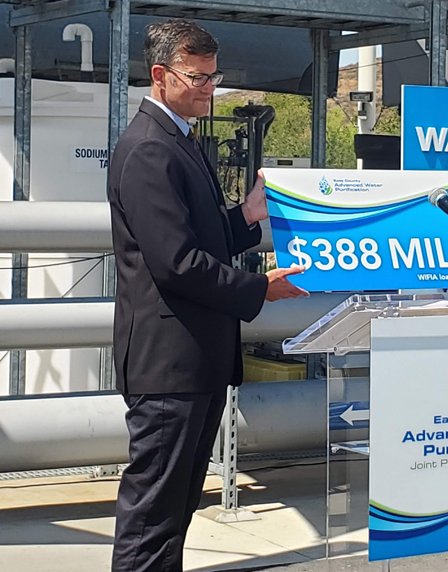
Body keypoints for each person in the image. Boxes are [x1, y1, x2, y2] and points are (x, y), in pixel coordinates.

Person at [107, 19, 307, 571]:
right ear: (159, 75)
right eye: (196, 77)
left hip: (193, 363)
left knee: (172, 517)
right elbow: (177, 264)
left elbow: (195, 236)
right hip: (169, 368)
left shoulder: (178, 139)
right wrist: (260, 288)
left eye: (213, 77)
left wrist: (246, 216)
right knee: (152, 522)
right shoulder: (150, 148)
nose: (208, 88)